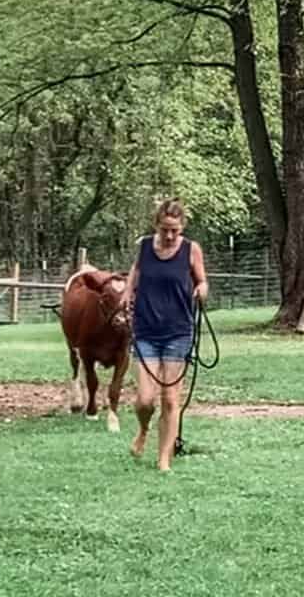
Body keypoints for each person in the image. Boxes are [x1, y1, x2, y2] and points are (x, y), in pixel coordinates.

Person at [121, 197, 209, 471]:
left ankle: (163, 460)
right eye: (165, 230)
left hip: (178, 332)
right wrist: (127, 291)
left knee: (170, 399)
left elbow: (202, 279)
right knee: (145, 400)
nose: (170, 235)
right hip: (146, 330)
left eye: (175, 230)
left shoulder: (191, 250)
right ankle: (144, 430)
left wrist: (202, 290)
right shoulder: (145, 247)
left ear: (182, 227)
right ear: (156, 226)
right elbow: (136, 270)